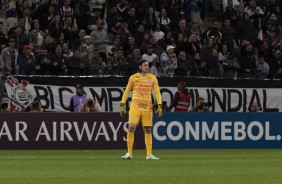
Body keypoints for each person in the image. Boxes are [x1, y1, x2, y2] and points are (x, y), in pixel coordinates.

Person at [120, 59, 163, 160]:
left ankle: (149, 155)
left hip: (147, 107)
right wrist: (122, 103)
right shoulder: (134, 77)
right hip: (135, 105)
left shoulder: (152, 78)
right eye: (145, 65)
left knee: (147, 129)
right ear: (140, 67)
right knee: (131, 127)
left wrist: (160, 105)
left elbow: (157, 92)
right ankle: (129, 153)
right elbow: (127, 91)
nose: (147, 67)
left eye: (148, 65)